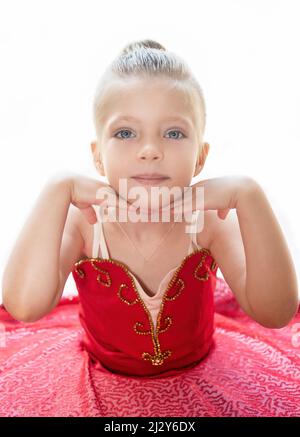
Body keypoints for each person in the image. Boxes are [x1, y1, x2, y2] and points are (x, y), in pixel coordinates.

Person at [1, 39, 300, 417]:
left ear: (200, 157)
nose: (149, 150)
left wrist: (250, 195)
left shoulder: (210, 222)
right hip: (101, 381)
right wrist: (56, 188)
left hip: (203, 375)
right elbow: (24, 305)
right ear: (97, 155)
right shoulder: (83, 222)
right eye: (125, 133)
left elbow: (276, 312)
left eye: (173, 133)